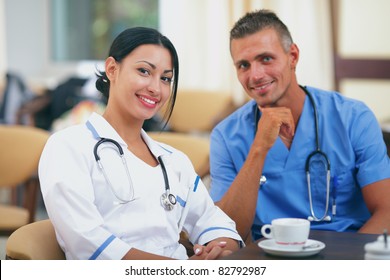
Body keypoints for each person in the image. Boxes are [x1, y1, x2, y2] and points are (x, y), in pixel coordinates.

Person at [39, 27, 242, 260]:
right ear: (112, 69)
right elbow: (88, 243)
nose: (156, 88)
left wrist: (218, 250)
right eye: (144, 71)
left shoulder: (173, 160)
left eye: (165, 78)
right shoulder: (67, 147)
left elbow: (213, 220)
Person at [209, 9, 390, 241]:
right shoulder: (225, 136)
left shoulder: (353, 118)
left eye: (266, 59)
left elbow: (386, 212)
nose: (255, 75)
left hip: (349, 253)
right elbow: (226, 232)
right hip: (268, 261)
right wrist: (259, 148)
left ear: (292, 56)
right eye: (243, 65)